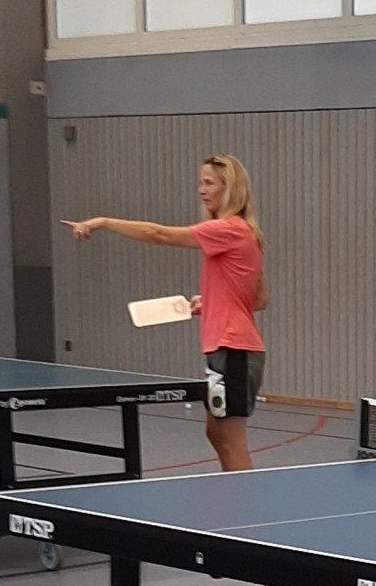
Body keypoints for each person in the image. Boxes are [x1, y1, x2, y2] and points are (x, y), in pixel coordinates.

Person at [62, 154, 267, 471]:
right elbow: (260, 299)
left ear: (229, 188)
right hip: (230, 348)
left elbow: (157, 234)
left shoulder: (228, 229)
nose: (201, 189)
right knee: (217, 434)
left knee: (230, 439)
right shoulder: (245, 232)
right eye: (200, 182)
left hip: (234, 350)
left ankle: (246, 500)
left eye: (209, 183)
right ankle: (235, 494)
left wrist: (102, 222)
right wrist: (212, 302)